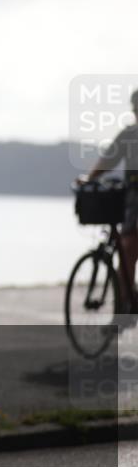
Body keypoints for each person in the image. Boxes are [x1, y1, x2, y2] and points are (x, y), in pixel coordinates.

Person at [78, 88, 138, 316]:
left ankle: (125, 305)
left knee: (129, 247)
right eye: (136, 109)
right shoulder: (129, 134)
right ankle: (125, 304)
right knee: (126, 250)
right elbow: (108, 159)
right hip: (131, 202)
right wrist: (89, 178)